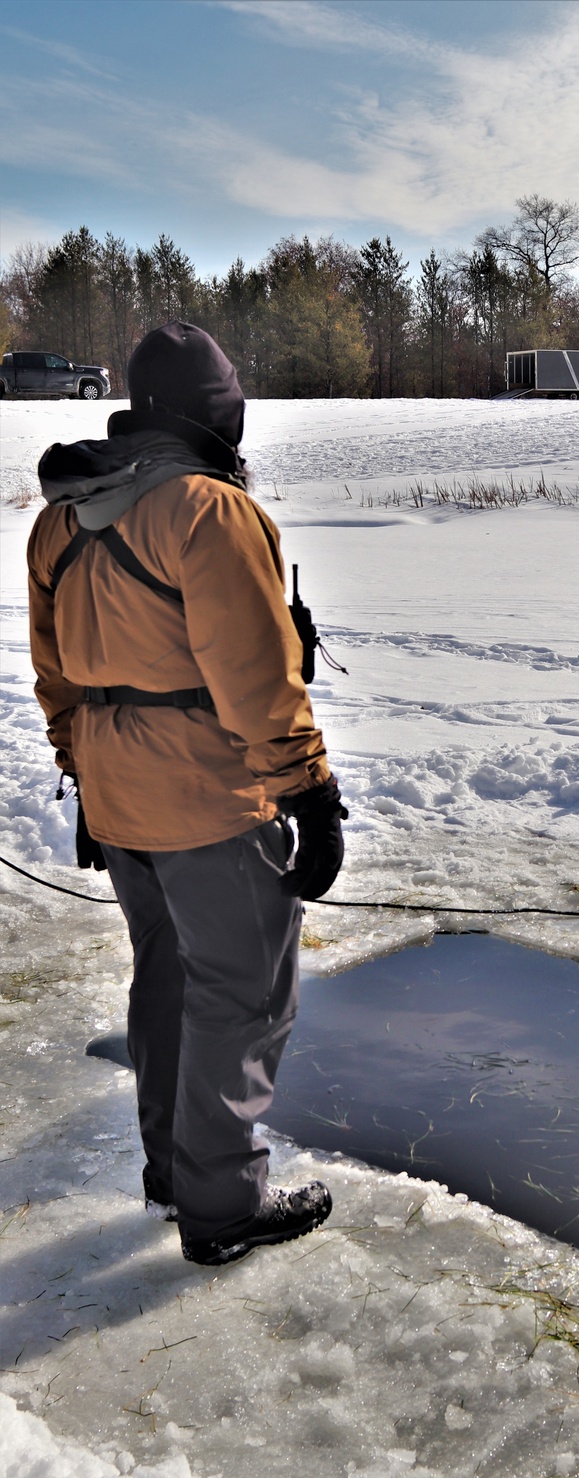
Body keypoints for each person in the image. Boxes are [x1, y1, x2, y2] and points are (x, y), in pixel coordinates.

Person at [27, 321, 347, 1265]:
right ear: (210, 406)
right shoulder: (207, 509)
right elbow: (255, 674)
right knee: (241, 995)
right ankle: (222, 1206)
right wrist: (310, 792)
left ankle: (176, 1167)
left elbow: (56, 674)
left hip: (118, 789)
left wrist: (83, 777)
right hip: (210, 791)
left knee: (167, 974)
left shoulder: (62, 516)